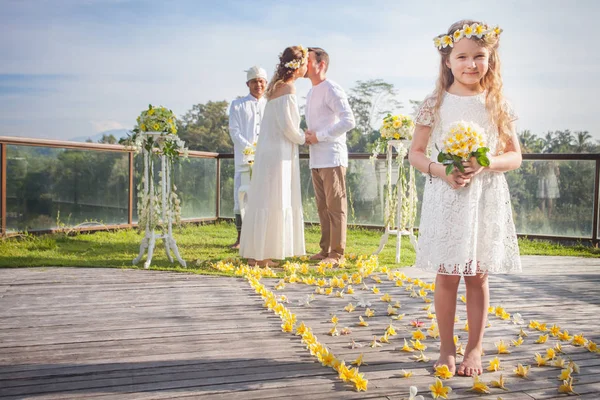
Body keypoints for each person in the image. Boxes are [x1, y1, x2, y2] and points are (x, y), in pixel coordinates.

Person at [408, 20, 522, 377]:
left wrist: (484, 164)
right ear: (447, 60)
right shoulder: (435, 102)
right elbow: (416, 152)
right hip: (447, 196)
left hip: (483, 197)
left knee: (477, 275)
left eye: (479, 56)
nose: (471, 64)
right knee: (446, 275)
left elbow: (515, 156)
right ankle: (446, 348)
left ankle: (474, 348)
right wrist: (442, 171)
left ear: (491, 59)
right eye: (462, 57)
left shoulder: (496, 102)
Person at [239, 46, 308, 267]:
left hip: (266, 151)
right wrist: (305, 137)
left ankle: (255, 253)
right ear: (298, 66)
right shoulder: (288, 89)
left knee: (262, 197)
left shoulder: (273, 88)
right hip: (279, 152)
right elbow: (289, 127)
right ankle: (263, 256)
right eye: (305, 63)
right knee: (274, 198)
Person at [304, 47, 356, 265]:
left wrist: (320, 136)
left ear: (320, 64)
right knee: (322, 208)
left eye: (307, 61)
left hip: (332, 157)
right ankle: (325, 250)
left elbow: (349, 121)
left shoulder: (332, 88)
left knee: (335, 208)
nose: (302, 65)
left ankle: (337, 253)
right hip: (315, 158)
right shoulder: (310, 92)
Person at [228, 66, 268, 249]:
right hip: (244, 159)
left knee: (266, 197)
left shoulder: (271, 104)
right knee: (241, 196)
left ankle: (264, 237)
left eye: (261, 81)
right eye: (254, 81)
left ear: (266, 83)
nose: (258, 85)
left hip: (268, 158)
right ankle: (241, 238)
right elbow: (234, 132)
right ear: (248, 84)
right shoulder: (238, 105)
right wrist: (251, 148)